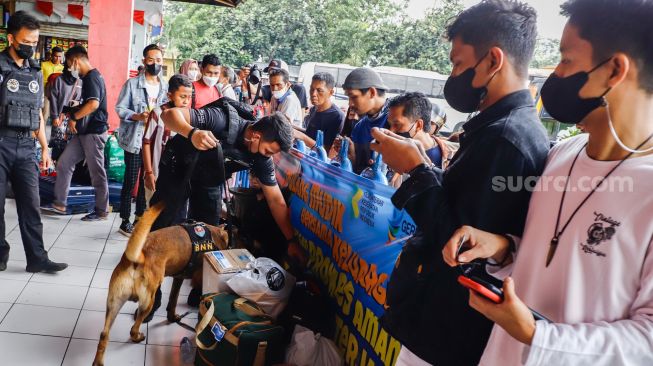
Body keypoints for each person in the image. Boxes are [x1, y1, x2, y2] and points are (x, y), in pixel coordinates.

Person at [441, 1, 653, 365]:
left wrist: (538, 336)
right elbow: (548, 258)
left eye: (567, 60)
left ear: (615, 70)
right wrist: (503, 248)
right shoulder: (561, 156)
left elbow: (647, 340)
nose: (555, 74)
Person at [370, 2, 550, 365]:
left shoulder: (506, 139)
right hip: (438, 324)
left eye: (458, 63)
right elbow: (460, 202)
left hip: (448, 333)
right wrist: (419, 165)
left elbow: (461, 247)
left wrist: (418, 170)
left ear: (493, 61)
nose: (453, 75)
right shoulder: (493, 128)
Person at [139, 106, 296, 322]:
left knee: (209, 241)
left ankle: (200, 295)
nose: (268, 157)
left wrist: (292, 240)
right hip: (179, 170)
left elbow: (276, 200)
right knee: (160, 232)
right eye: (269, 151)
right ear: (256, 136)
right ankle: (150, 300)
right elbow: (168, 115)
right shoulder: (221, 119)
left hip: (209, 180)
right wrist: (191, 132)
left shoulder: (261, 157)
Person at [0, 11, 67, 273]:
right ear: (11, 38)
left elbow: (37, 112)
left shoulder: (36, 71)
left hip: (26, 146)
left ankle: (37, 258)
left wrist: (45, 148)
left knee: (31, 204)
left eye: (34, 42)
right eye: (26, 42)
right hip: (1, 142)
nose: (31, 46)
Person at [45, 45, 110, 222]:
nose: (68, 69)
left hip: (94, 133)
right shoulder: (87, 78)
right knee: (64, 163)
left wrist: (74, 117)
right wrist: (71, 110)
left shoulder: (92, 77)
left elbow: (93, 105)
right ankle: (59, 203)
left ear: (75, 61)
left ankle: (101, 210)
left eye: (68, 65)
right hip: (83, 133)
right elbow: (87, 103)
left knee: (96, 172)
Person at [115, 44, 168, 236]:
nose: (155, 64)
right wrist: (137, 116)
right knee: (130, 181)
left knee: (147, 180)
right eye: (151, 60)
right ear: (144, 61)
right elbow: (120, 109)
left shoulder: (165, 87)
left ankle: (139, 217)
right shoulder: (132, 84)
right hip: (135, 140)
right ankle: (124, 220)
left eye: (159, 60)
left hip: (154, 143)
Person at [142, 74, 190, 204]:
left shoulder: (190, 116)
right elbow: (146, 143)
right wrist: (148, 172)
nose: (186, 101)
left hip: (177, 177)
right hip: (156, 174)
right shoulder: (158, 113)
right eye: (182, 97)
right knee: (153, 213)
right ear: (170, 96)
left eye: (189, 97)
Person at [341, 67, 389, 174]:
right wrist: (351, 153)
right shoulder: (359, 127)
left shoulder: (396, 121)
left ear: (372, 92)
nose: (350, 104)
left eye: (353, 97)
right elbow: (357, 170)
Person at [387, 92, 449, 168]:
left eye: (397, 125)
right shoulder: (394, 149)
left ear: (419, 125)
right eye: (390, 124)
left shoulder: (448, 160)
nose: (390, 131)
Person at [294, 72, 344, 151]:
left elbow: (326, 150)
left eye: (319, 90)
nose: (313, 94)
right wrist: (291, 127)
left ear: (330, 93)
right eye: (312, 89)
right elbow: (310, 134)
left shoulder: (336, 116)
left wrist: (301, 136)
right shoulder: (314, 109)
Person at [47, 66, 83, 161]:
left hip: (73, 118)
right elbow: (53, 98)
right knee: (58, 145)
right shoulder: (59, 80)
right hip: (60, 117)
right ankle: (57, 167)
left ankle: (67, 168)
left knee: (71, 145)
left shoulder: (80, 81)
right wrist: (54, 116)